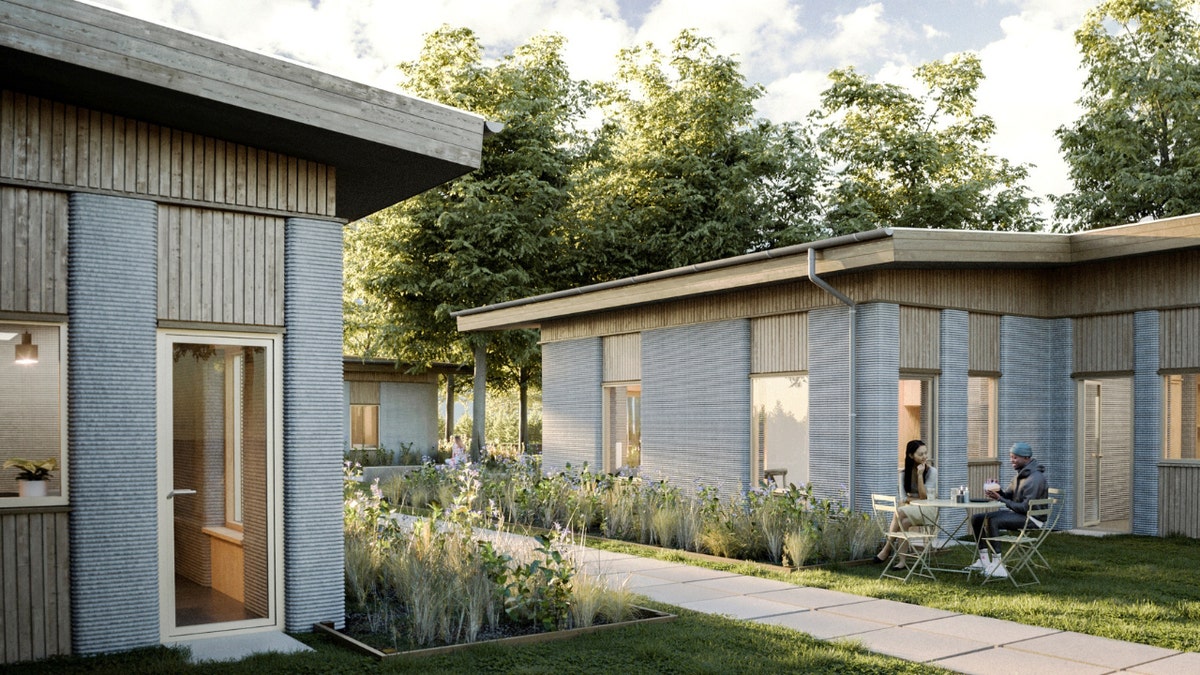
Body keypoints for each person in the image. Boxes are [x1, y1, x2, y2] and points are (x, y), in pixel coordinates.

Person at [967, 441, 1049, 578]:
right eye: (1011, 457)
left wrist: (1000, 498)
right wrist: (997, 490)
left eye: (1015, 457)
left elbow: (1024, 507)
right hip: (1018, 513)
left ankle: (998, 564)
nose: (1012, 460)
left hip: (1032, 518)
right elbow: (1008, 496)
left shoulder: (1035, 478)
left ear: (1026, 458)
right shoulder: (1021, 475)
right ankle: (984, 561)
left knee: (994, 520)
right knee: (977, 518)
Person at [874, 439, 938, 566]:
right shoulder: (903, 474)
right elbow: (903, 498)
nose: (924, 456)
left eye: (926, 453)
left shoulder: (932, 472)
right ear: (911, 455)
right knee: (903, 522)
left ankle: (887, 549)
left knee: (899, 511)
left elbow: (925, 498)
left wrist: (920, 476)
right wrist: (913, 500)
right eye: (921, 454)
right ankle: (902, 561)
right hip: (911, 510)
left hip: (928, 511)